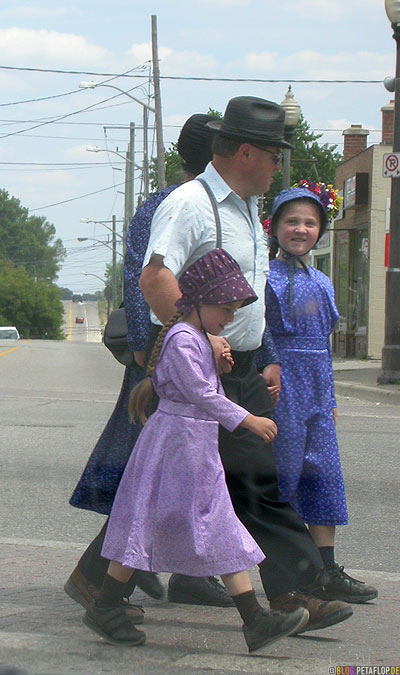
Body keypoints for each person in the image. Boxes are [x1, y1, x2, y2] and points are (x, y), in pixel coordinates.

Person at [139, 95, 353, 632]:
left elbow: (250, 293)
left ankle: (100, 581)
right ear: (242, 152)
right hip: (209, 366)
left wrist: (270, 357)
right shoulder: (192, 203)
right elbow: (155, 277)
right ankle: (292, 592)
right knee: (250, 478)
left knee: (230, 481)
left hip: (246, 363)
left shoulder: (245, 211)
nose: (280, 165)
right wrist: (195, 336)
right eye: (274, 154)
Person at [82, 248, 309, 653]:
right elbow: (200, 394)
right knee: (159, 523)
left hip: (193, 447)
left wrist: (217, 361)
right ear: (199, 302)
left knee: (206, 524)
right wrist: (247, 418)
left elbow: (202, 388)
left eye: (233, 310)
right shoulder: (184, 339)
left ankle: (252, 620)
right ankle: (107, 604)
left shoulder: (196, 338)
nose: (228, 318)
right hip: (177, 446)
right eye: (224, 309)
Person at [66, 113, 239, 613]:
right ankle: (95, 574)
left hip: (193, 351)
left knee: (180, 476)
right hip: (167, 358)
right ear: (213, 155)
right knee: (149, 474)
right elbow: (142, 275)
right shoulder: (169, 204)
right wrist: (149, 345)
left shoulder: (214, 204)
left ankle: (184, 573)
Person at [257, 182, 378, 604]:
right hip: (282, 386)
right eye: (292, 221)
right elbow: (260, 334)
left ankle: (326, 568)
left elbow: (324, 344)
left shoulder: (323, 282)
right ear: (274, 227)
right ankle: (291, 571)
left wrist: (329, 399)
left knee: (323, 476)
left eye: (310, 222)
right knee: (284, 477)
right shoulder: (265, 276)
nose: (301, 229)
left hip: (317, 389)